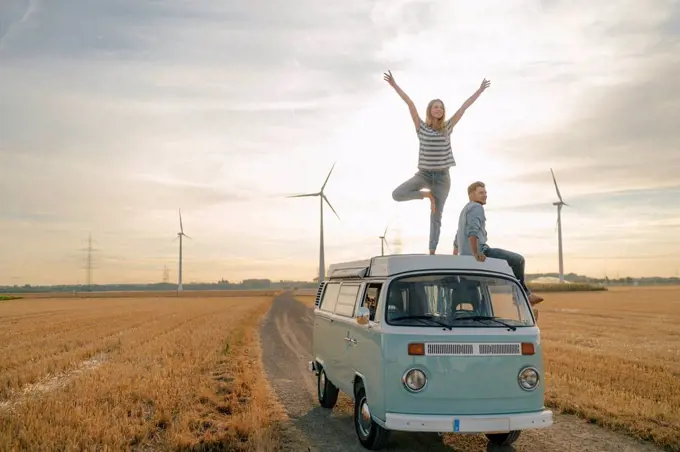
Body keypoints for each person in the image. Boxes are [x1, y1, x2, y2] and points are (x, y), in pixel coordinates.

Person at [384, 70, 491, 255]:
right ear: (430, 111)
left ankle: (431, 252)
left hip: (442, 178)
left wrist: (480, 90)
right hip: (424, 176)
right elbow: (410, 104)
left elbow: (464, 108)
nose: (439, 109)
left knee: (436, 216)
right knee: (397, 194)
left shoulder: (447, 127)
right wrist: (394, 85)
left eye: (441, 107)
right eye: (435, 107)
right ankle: (427, 196)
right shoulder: (421, 128)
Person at [453, 181, 544, 306]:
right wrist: (476, 253)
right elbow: (472, 231)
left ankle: (519, 295)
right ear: (471, 195)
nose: (485, 195)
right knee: (518, 261)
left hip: (466, 255)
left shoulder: (464, 210)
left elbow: (457, 236)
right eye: (481, 193)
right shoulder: (476, 207)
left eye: (485, 193)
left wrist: (455, 257)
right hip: (481, 251)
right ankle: (522, 295)